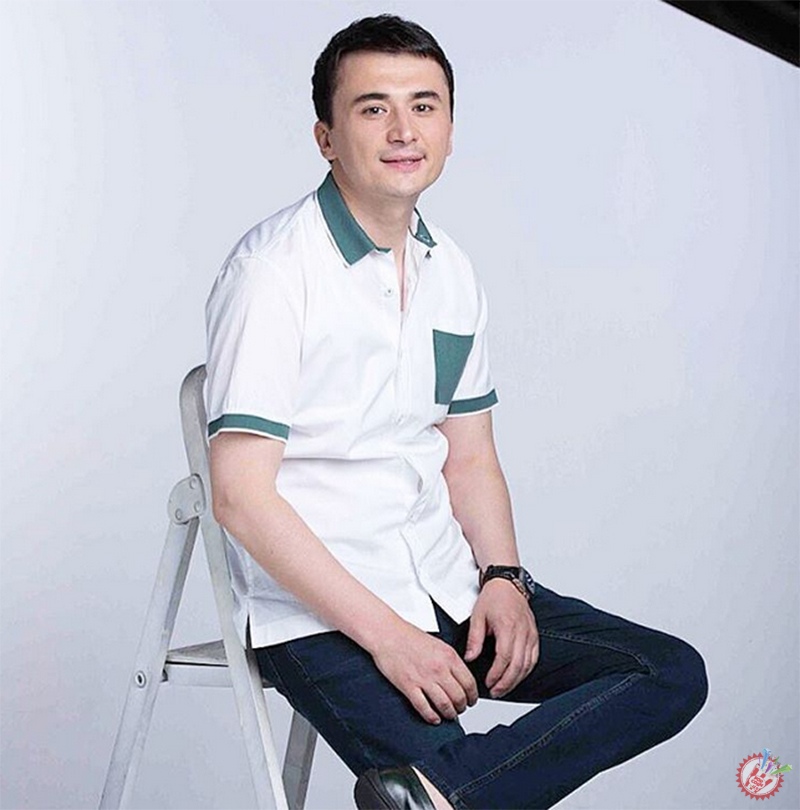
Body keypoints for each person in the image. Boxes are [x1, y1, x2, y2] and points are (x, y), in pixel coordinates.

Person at [205, 14, 707, 810]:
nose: (403, 129)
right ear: (326, 137)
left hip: (445, 582)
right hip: (323, 614)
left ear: (448, 126)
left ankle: (440, 796)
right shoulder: (273, 272)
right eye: (373, 107)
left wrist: (503, 579)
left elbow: (470, 457)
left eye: (424, 105)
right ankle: (449, 793)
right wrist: (391, 640)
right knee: (467, 778)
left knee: (668, 672)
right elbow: (239, 497)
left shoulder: (452, 270)